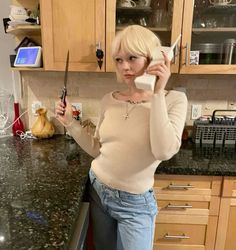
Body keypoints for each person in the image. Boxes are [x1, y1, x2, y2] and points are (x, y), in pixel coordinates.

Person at [55, 25, 187, 250]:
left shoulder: (174, 99)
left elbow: (164, 151)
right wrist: (70, 123)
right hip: (98, 190)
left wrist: (156, 93)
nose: (124, 66)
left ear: (154, 57)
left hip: (135, 204)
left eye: (132, 58)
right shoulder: (109, 99)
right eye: (118, 59)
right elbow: (98, 149)